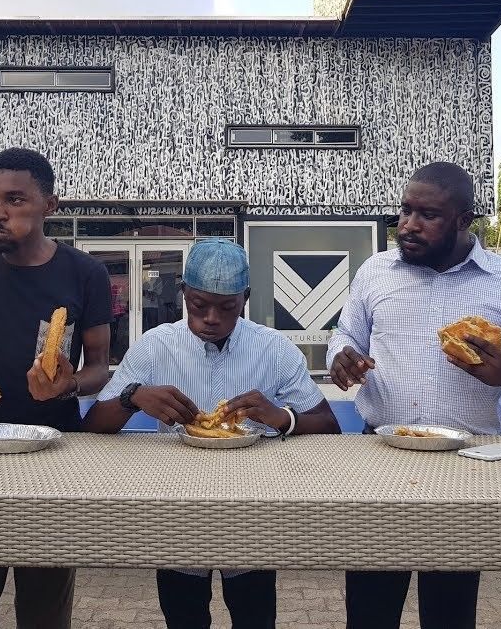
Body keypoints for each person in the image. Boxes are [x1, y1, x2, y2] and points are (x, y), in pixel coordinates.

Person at [328, 162, 501, 629]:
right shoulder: (377, 270)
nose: (408, 226)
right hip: (381, 456)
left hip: (467, 465)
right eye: (405, 210)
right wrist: (343, 357)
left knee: (450, 609)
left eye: (428, 215)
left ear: (463, 219)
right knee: (370, 608)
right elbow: (346, 332)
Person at [85, 238, 340, 629]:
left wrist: (280, 416)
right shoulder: (155, 347)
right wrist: (134, 397)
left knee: (254, 618)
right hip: (177, 511)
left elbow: (328, 426)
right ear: (183, 293)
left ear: (246, 299)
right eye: (199, 305)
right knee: (184, 618)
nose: (211, 318)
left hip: (252, 511)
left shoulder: (273, 349)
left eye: (227, 307)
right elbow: (94, 427)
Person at [0, 148, 112, 628]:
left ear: (49, 205)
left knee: (44, 607)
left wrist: (67, 386)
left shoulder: (84, 274)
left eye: (14, 200)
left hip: (52, 458)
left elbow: (100, 368)